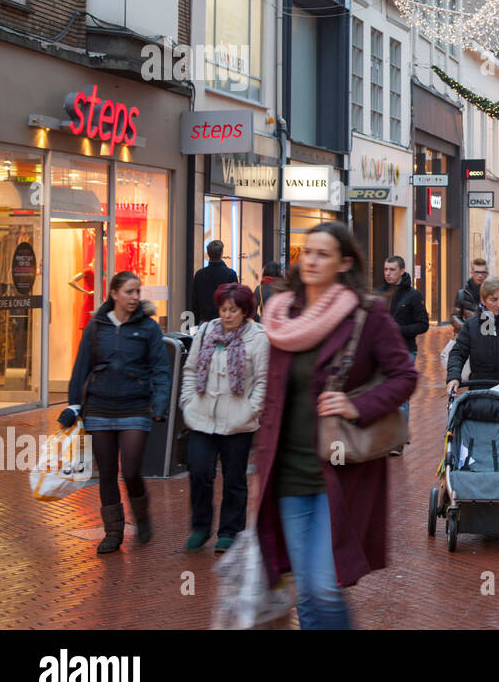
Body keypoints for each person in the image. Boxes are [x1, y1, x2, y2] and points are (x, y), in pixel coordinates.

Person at [254, 222, 417, 629]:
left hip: (340, 470)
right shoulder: (280, 313)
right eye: (307, 251)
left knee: (325, 584)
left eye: (323, 254)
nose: (310, 260)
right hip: (286, 471)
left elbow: (404, 376)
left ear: (345, 262)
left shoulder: (367, 313)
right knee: (305, 587)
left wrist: (356, 404)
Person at [59, 271, 171, 555]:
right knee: (107, 472)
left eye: (137, 292)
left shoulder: (148, 328)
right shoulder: (97, 326)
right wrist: (74, 405)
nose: (135, 297)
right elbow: (81, 367)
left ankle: (142, 516)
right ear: (114, 294)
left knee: (131, 470)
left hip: (135, 405)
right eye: (129, 292)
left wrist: (159, 404)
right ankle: (113, 533)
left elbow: (160, 369)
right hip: (99, 406)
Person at [179, 282, 268, 554]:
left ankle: (230, 531)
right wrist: (188, 402)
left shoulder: (258, 337)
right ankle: (201, 527)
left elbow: (264, 381)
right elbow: (191, 369)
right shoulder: (206, 331)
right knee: (200, 471)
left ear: (245, 311)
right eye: (223, 309)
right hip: (202, 415)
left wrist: (251, 409)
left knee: (234, 478)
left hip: (238, 421)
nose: (227, 315)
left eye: (234, 310)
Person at [378, 255, 429, 453]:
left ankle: (397, 441)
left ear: (401, 271)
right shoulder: (379, 294)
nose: (388, 273)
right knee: (381, 394)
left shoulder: (413, 296)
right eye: (385, 269)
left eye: (391, 270)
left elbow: (423, 324)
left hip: (405, 351)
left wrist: (398, 330)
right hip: (380, 352)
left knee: (400, 397)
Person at [191, 240, 238, 324]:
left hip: (204, 321)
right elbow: (236, 299)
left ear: (208, 254)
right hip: (225, 321)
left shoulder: (199, 274)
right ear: (221, 253)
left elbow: (195, 301)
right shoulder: (230, 274)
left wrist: (195, 322)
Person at [451, 258, 488, 332]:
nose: (480, 276)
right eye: (477, 272)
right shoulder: (462, 294)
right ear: (472, 273)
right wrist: (466, 329)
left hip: (487, 336)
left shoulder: (492, 293)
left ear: (487, 273)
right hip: (468, 338)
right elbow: (454, 317)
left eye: (483, 273)